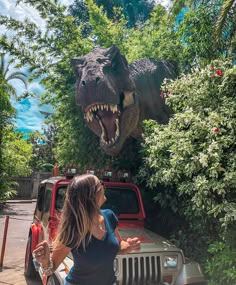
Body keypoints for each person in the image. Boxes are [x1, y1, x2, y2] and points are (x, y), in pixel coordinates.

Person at [33, 173, 141, 285]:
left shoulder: (109, 216)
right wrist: (45, 262)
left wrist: (129, 246)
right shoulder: (74, 228)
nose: (104, 187)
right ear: (91, 195)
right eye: (100, 184)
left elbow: (117, 246)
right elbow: (51, 268)